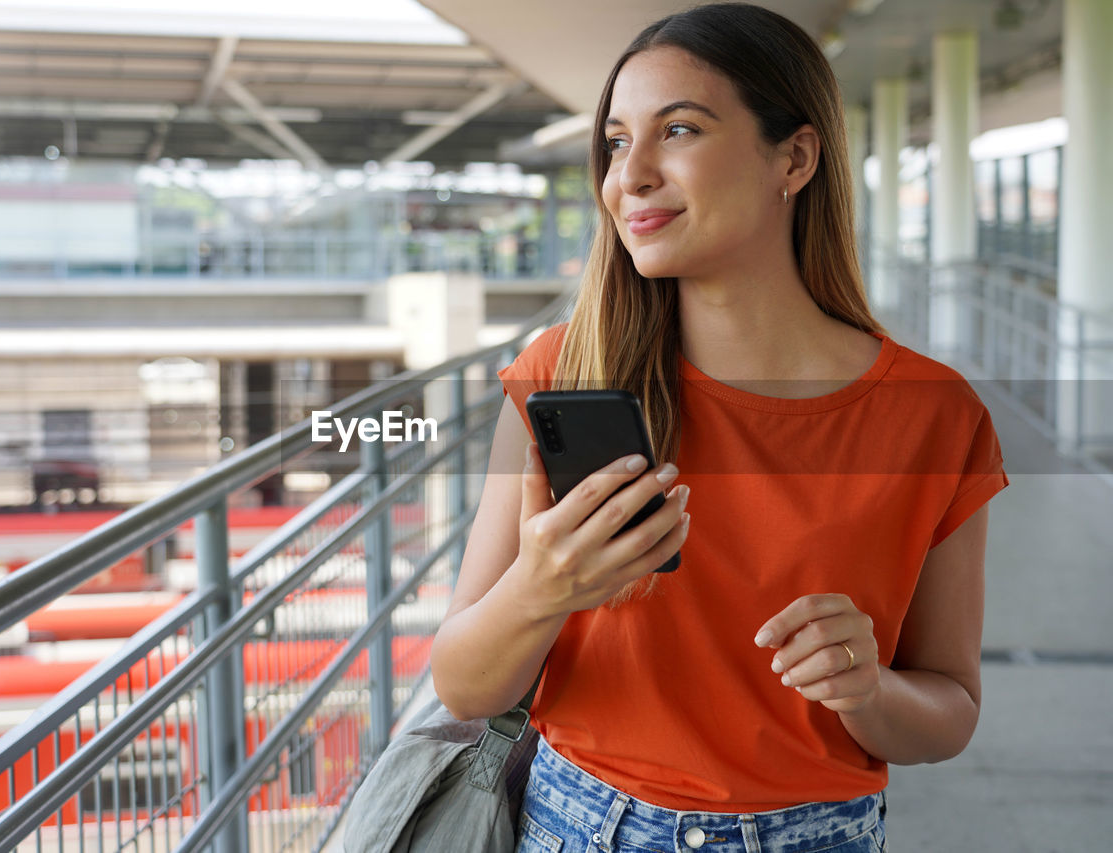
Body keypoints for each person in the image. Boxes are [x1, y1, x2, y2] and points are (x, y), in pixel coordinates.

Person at [429, 4, 1008, 852]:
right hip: (578, 825)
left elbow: (950, 708)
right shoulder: (564, 371)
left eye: (681, 130)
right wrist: (543, 587)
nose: (631, 175)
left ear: (796, 157)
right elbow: (462, 684)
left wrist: (868, 691)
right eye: (618, 143)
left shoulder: (937, 417)